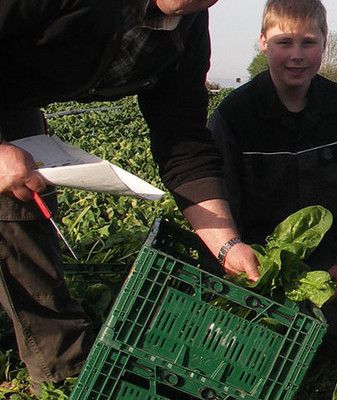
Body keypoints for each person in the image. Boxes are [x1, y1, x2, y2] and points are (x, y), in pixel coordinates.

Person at [0, 0, 260, 392]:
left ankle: (65, 365)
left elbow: (182, 142)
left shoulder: (185, 28)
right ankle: (66, 375)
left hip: (12, 94)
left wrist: (227, 245)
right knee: (11, 207)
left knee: (24, 200)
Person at [207, 0, 337, 356]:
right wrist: (236, 261)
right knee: (242, 345)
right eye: (284, 43)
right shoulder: (235, 115)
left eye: (308, 43)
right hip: (257, 264)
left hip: (325, 264)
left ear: (324, 43)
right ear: (263, 42)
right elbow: (225, 202)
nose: (296, 55)